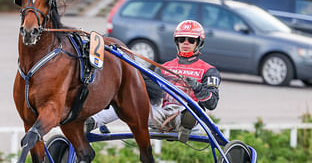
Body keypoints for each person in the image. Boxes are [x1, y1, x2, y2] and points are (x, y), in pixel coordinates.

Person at [85, 20, 221, 143]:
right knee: (126, 103)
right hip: (161, 114)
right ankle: (91, 123)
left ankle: (186, 123)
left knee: (190, 111)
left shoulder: (208, 70)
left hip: (187, 114)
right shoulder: (164, 68)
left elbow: (212, 103)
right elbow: (153, 97)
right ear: (176, 41)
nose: (185, 43)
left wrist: (197, 87)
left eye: (191, 40)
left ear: (199, 43)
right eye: (181, 39)